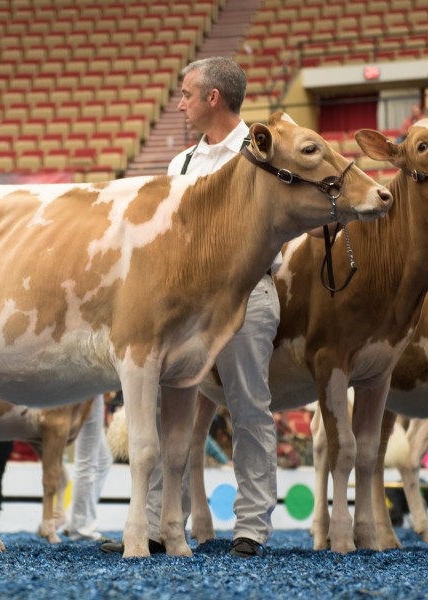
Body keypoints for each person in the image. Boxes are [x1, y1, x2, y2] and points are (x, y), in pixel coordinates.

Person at [101, 56, 280, 558]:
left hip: (247, 293)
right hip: (184, 303)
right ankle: (160, 524)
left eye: (186, 94)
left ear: (212, 98)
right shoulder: (180, 164)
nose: (179, 104)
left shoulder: (263, 153)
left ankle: (251, 529)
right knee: (165, 410)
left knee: (249, 409)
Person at [64, 394, 113, 541]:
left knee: (103, 459)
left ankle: (73, 520)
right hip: (89, 392)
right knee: (87, 462)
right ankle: (81, 528)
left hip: (86, 391)